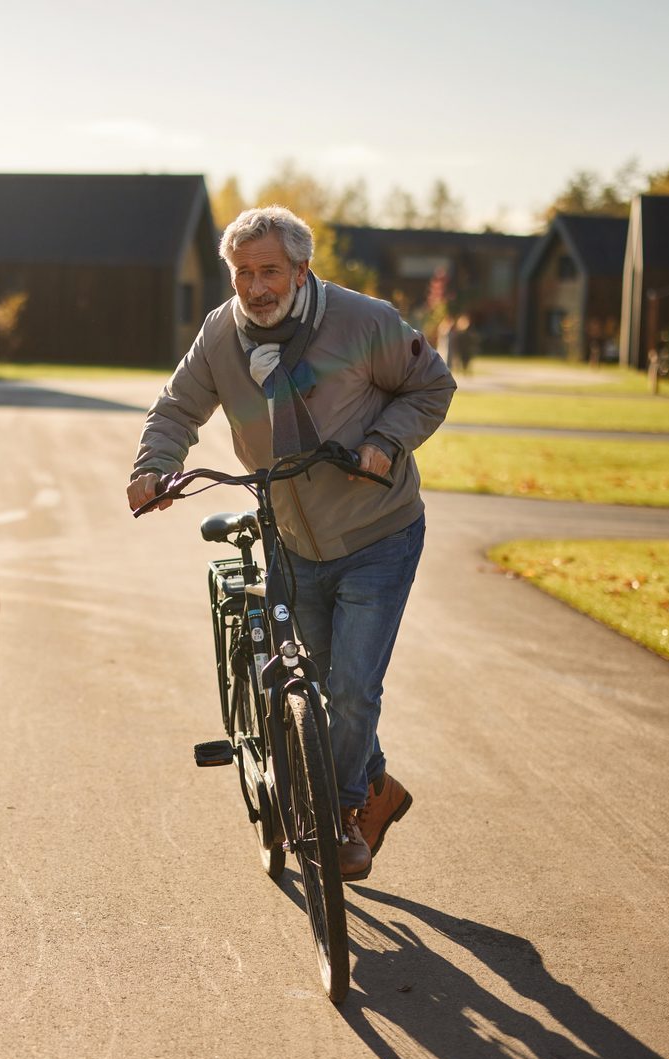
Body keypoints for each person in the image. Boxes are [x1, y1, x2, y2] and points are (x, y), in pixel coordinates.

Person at [126, 206, 454, 880]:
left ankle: (339, 820)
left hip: (377, 533)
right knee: (326, 687)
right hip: (294, 537)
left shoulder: (363, 322)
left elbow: (432, 385)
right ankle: (379, 791)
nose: (255, 286)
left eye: (269, 270)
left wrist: (384, 442)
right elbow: (177, 407)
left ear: (301, 270)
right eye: (242, 272)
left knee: (354, 689)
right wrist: (152, 468)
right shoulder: (221, 333)